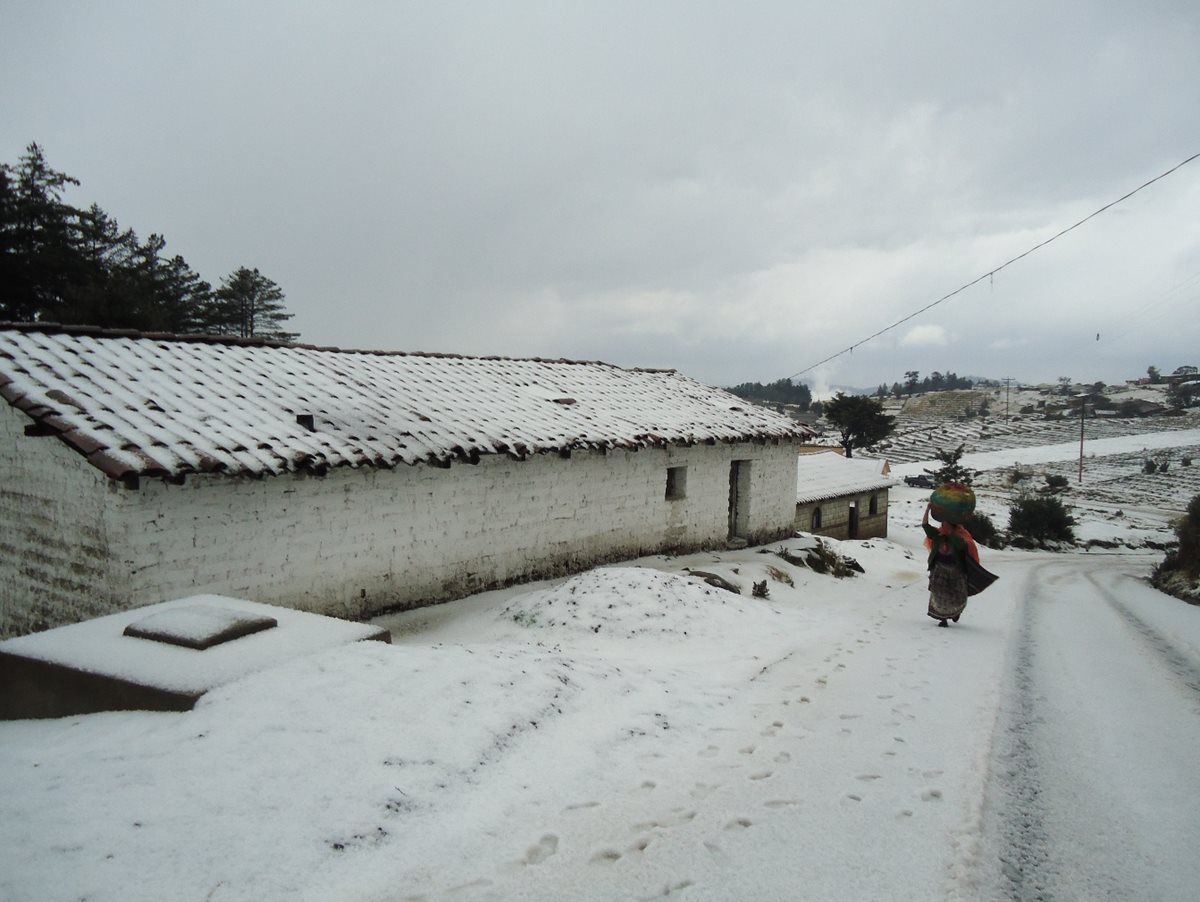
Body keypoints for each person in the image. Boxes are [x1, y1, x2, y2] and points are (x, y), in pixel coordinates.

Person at [922, 501, 980, 626]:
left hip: (956, 571)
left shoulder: (960, 537)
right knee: (939, 594)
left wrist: (951, 534)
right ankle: (943, 619)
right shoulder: (938, 535)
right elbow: (925, 525)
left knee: (957, 595)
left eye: (946, 524)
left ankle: (955, 613)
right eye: (943, 524)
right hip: (940, 569)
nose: (944, 526)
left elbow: (962, 546)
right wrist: (927, 510)